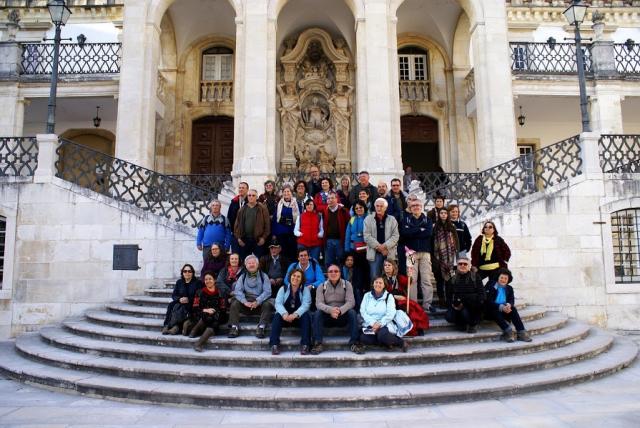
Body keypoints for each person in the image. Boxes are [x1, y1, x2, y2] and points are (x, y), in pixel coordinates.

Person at [312, 265, 362, 354]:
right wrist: (330, 310)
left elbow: (351, 302)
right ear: (327, 274)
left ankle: (355, 343)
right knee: (317, 313)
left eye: (336, 271)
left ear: (340, 273)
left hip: (342, 316)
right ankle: (318, 343)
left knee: (352, 312)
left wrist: (339, 310)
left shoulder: (347, 284)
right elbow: (318, 304)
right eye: (330, 271)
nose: (333, 273)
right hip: (327, 316)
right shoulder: (321, 286)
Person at [400, 198, 435, 313]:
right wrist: (419, 230)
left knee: (426, 279)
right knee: (412, 279)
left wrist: (413, 231)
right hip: (411, 253)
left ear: (421, 207)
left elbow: (428, 233)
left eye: (418, 206)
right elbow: (405, 234)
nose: (416, 207)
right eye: (413, 206)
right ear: (410, 208)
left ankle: (427, 304)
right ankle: (413, 304)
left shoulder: (427, 220)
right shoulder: (405, 220)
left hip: (425, 252)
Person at [227, 255, 274, 338]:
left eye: (253, 263)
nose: (251, 265)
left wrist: (258, 301)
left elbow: (267, 292)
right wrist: (244, 302)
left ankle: (261, 327)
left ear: (257, 264)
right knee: (234, 303)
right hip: (246, 304)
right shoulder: (243, 277)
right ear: (246, 265)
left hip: (259, 304)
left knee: (267, 305)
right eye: (249, 263)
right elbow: (238, 291)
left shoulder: (264, 276)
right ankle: (234, 327)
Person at [359, 277, 409, 352]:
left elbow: (391, 313)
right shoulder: (367, 295)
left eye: (380, 283)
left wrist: (379, 324)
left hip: (385, 324)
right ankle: (386, 343)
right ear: (373, 284)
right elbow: (363, 311)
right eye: (376, 282)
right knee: (364, 338)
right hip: (371, 324)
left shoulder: (389, 296)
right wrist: (373, 323)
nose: (378, 284)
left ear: (384, 285)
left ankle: (401, 342)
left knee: (382, 335)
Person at [270, 268, 312, 355]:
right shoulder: (283, 289)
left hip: (298, 319)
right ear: (290, 277)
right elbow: (278, 303)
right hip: (285, 318)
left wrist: (295, 314)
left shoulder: (305, 290)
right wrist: (284, 314)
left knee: (306, 315)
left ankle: (305, 344)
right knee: (277, 316)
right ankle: (274, 344)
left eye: (298, 277)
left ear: (302, 279)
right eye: (294, 276)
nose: (295, 278)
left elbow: (306, 305)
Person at [381, 259, 429, 336]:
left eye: (389, 265)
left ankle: (417, 328)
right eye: (385, 265)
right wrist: (393, 296)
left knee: (413, 308)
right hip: (388, 301)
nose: (387, 267)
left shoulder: (398, 277)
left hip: (401, 300)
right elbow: (380, 293)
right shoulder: (381, 279)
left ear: (393, 267)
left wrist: (410, 275)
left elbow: (408, 281)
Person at [485, 268, 532, 343]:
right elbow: (488, 301)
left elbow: (511, 300)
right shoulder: (491, 284)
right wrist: (501, 307)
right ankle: (508, 331)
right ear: (498, 277)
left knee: (513, 309)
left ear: (508, 280)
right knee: (494, 309)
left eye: (505, 278)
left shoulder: (509, 288)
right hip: (491, 310)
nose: (503, 280)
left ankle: (521, 332)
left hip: (504, 310)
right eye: (501, 278)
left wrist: (508, 305)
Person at [446, 253, 485, 333]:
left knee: (465, 312)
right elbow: (448, 296)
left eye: (465, 264)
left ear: (469, 266)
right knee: (449, 317)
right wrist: (453, 305)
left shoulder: (476, 277)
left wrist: (469, 302)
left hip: (472, 306)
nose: (462, 265)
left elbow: (482, 294)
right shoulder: (452, 280)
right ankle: (462, 323)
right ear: (457, 266)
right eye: (460, 264)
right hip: (457, 304)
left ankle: (472, 324)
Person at [190, 271, 228, 352]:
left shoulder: (221, 292)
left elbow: (223, 308)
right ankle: (196, 336)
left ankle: (197, 340)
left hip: (218, 315)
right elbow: (195, 307)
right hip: (202, 315)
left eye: (210, 279)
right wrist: (205, 310)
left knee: (215, 320)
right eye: (206, 279)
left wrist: (214, 311)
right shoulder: (199, 292)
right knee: (208, 317)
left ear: (214, 280)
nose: (208, 281)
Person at [363, 198, 399, 280]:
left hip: (389, 252)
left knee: (390, 278)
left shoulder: (392, 219)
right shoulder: (368, 219)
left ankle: (389, 293)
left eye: (381, 206)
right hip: (374, 253)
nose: (379, 208)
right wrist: (380, 247)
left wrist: (385, 246)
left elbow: (395, 236)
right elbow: (367, 236)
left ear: (385, 208)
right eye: (377, 206)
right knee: (375, 278)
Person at [162, 264, 202, 335]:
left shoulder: (197, 283)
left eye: (189, 271)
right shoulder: (179, 282)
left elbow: (199, 296)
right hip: (180, 302)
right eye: (185, 271)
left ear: (192, 273)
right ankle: (167, 325)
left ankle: (176, 327)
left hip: (191, 303)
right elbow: (174, 295)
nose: (187, 273)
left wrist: (189, 299)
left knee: (183, 308)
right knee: (171, 305)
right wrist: (179, 299)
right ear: (182, 273)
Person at [432, 208, 459, 307]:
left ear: (447, 215)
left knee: (449, 282)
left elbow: (456, 242)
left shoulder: (452, 227)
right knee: (439, 281)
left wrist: (456, 257)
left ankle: (449, 300)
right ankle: (441, 300)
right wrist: (434, 258)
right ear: (438, 215)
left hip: (450, 259)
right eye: (441, 213)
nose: (443, 215)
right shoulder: (435, 227)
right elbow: (432, 243)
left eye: (445, 213)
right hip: (438, 258)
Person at [234, 189, 271, 261]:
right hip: (245, 240)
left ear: (257, 197)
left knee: (260, 261)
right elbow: (236, 225)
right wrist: (238, 238)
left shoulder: (262, 208)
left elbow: (267, 225)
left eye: (253, 195)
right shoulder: (242, 209)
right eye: (249, 195)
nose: (251, 197)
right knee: (245, 261)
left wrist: (263, 237)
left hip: (258, 240)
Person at [471, 220, 511, 285]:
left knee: (492, 286)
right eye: (485, 227)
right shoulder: (479, 239)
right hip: (482, 268)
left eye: (490, 227)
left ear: (494, 229)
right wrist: (474, 265)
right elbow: (474, 253)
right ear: (483, 229)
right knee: (474, 282)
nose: (488, 228)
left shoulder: (498, 239)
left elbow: (507, 251)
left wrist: (504, 261)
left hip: (496, 268)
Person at [344, 200, 370, 301]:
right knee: (356, 275)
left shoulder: (369, 218)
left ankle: (367, 295)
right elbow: (347, 235)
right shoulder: (352, 219)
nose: (359, 209)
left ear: (364, 208)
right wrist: (347, 250)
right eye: (356, 208)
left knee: (366, 274)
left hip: (366, 251)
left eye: (360, 207)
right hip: (354, 250)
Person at [322, 191, 350, 267]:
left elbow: (349, 226)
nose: (330, 200)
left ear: (337, 199)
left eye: (332, 198)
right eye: (328, 198)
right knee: (328, 263)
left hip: (340, 241)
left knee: (341, 262)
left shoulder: (344, 211)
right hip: (328, 241)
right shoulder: (325, 211)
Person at [273, 184, 299, 260]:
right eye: (284, 191)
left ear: (291, 193)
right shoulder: (279, 204)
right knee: (283, 254)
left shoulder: (296, 204)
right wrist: (274, 233)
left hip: (292, 232)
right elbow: (275, 219)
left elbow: (298, 218)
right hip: (281, 232)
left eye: (288, 191)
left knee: (292, 253)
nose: (286, 193)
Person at [227, 182, 249, 253]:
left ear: (247, 190)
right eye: (240, 188)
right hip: (235, 235)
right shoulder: (234, 202)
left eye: (243, 188)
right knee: (235, 256)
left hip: (247, 236)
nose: (241, 189)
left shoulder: (251, 202)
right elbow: (229, 217)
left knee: (246, 257)